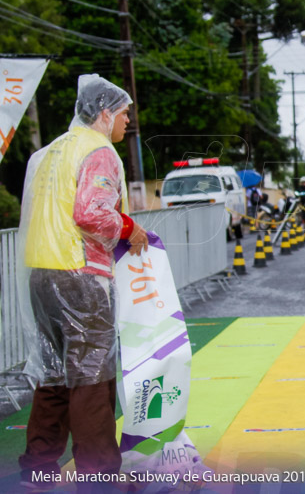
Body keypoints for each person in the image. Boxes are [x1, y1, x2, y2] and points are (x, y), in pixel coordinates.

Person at [17, 75, 150, 487]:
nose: (129, 121)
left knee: (55, 373)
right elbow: (91, 214)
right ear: (105, 112)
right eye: (126, 113)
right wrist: (130, 228)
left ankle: (38, 467)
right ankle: (99, 475)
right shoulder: (99, 150)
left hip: (42, 274)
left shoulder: (48, 151)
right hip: (81, 275)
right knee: (93, 377)